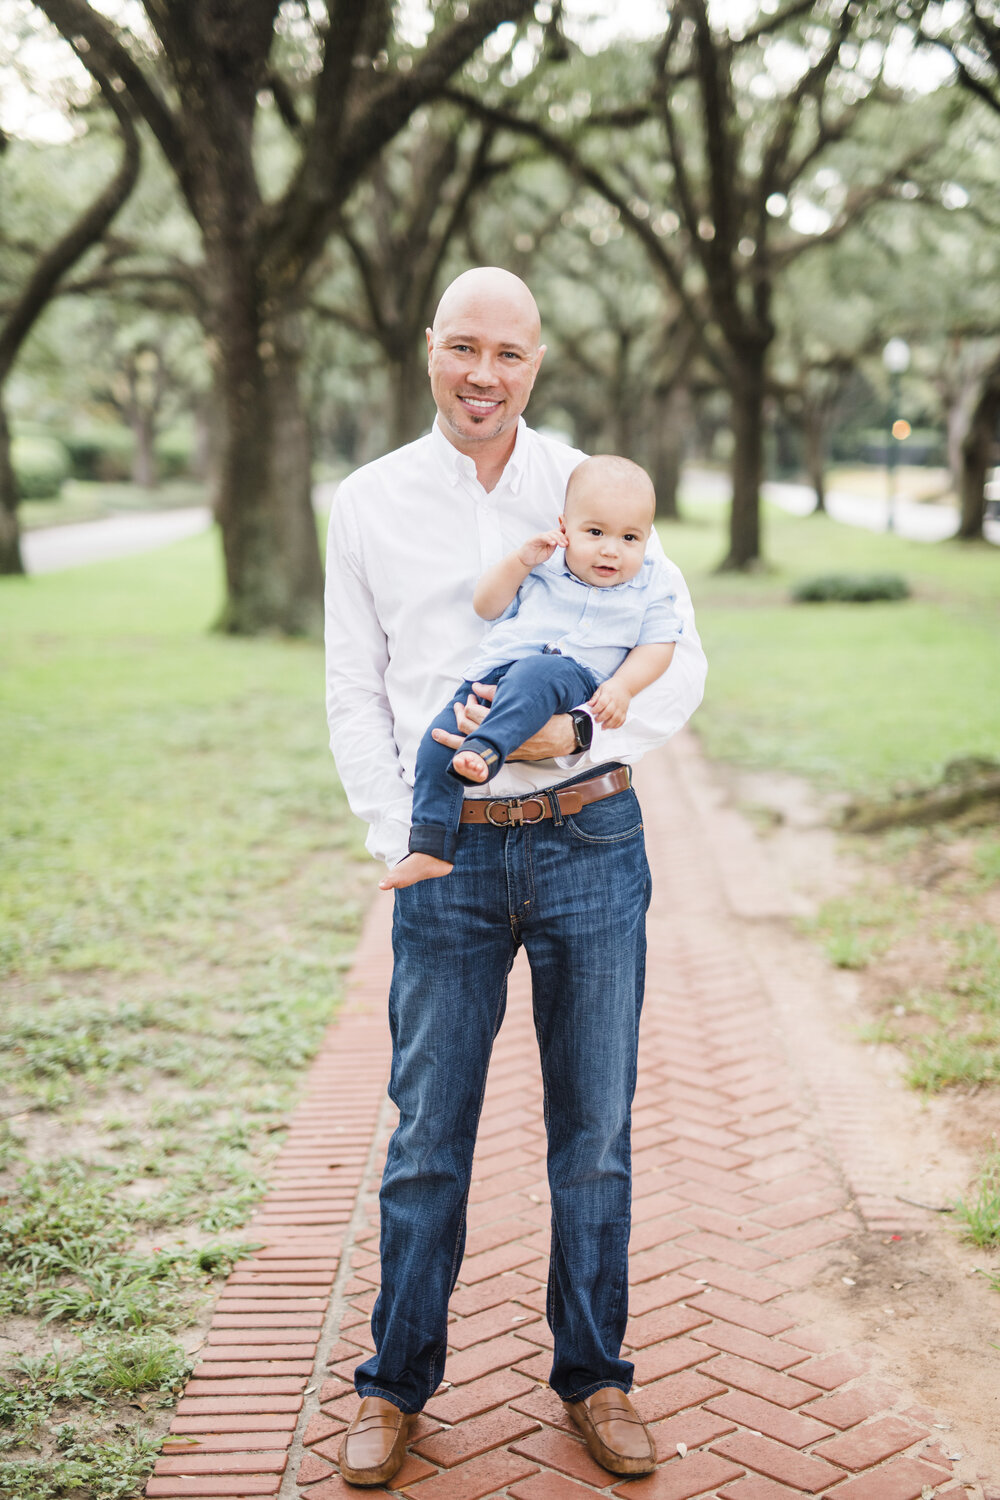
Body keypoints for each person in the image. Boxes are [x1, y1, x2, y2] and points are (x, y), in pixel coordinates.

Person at [325, 266, 707, 1488]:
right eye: (463, 348)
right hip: (448, 862)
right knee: (428, 1134)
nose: (484, 374)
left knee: (591, 1133)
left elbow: (679, 652)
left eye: (510, 354)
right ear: (429, 346)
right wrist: (399, 831)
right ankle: (393, 1386)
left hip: (590, 843)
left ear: (536, 364)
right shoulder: (369, 502)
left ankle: (596, 1376)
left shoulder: (594, 492)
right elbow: (352, 683)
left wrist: (584, 736)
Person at [381, 453, 684, 890]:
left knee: (537, 673)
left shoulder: (650, 584)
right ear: (565, 527)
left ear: (646, 538)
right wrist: (519, 561)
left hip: (569, 675)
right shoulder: (544, 563)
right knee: (436, 743)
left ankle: (485, 750)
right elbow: (486, 606)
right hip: (492, 676)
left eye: (629, 537)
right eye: (595, 532)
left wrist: (622, 685)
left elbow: (659, 645)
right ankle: (430, 845)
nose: (610, 549)